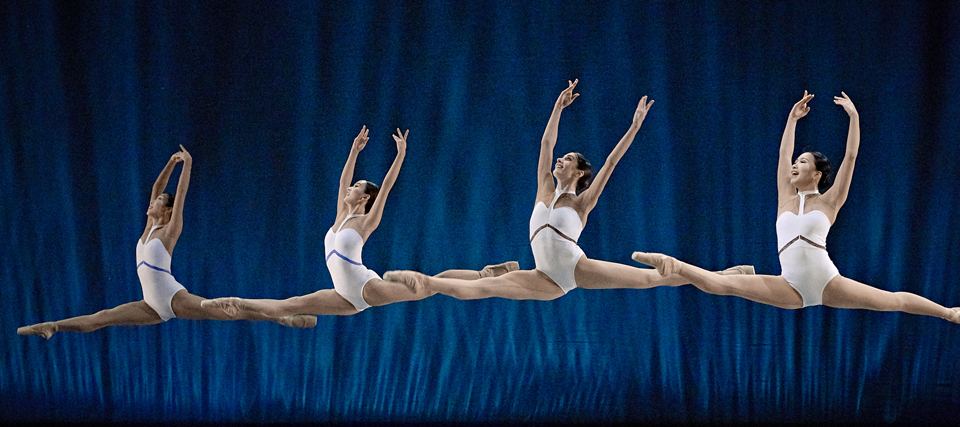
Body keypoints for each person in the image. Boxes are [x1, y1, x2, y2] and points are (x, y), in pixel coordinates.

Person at [385, 80, 752, 300]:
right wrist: (557, 108)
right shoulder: (545, 187)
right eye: (561, 158)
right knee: (486, 289)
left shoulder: (582, 201)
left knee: (649, 279)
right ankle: (426, 281)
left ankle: (728, 276)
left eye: (568, 159)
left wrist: (635, 126)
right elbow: (545, 145)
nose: (560, 160)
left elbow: (611, 163)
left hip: (576, 267)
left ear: (579, 172)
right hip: (545, 277)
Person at [632, 91, 960, 323]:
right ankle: (673, 264)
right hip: (789, 285)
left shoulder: (830, 200)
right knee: (721, 285)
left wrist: (854, 118)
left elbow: (851, 157)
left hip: (826, 279)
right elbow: (781, 156)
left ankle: (949, 312)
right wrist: (791, 120)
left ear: (816, 173)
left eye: (801, 163)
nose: (794, 166)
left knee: (893, 301)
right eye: (795, 162)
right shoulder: (785, 199)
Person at [201, 127, 515, 319]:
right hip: (342, 295)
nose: (351, 188)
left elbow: (387, 187)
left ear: (364, 198)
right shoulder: (340, 215)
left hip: (366, 287)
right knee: (291, 304)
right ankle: (237, 303)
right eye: (354, 185)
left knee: (429, 286)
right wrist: (353, 151)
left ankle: (485, 274)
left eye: (357, 186)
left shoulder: (365, 221)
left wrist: (401, 155)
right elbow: (341, 182)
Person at [17, 146, 317, 339]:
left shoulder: (169, 230)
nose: (151, 203)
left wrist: (187, 164)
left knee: (227, 311)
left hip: (173, 297)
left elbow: (180, 193)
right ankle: (53, 326)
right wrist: (169, 164)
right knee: (102, 318)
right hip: (150, 305)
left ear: (168, 211)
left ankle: (283, 317)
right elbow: (157, 186)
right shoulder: (150, 225)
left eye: (157, 202)